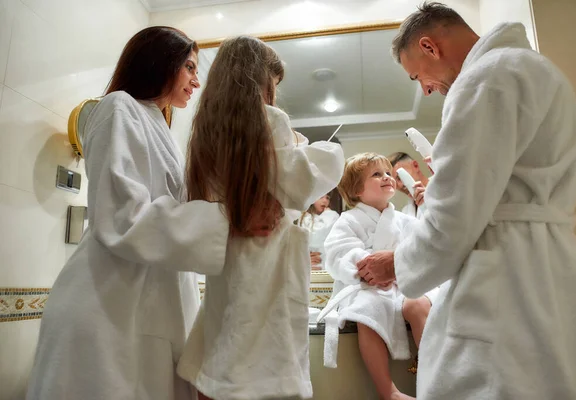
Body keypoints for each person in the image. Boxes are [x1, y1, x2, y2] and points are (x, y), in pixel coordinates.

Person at [357, 3, 576, 399]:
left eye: (417, 75)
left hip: (508, 280)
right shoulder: (542, 72)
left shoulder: (485, 79)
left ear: (429, 46)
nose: (425, 89)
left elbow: (453, 216)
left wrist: (397, 263)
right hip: (559, 272)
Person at [26, 27, 265, 400]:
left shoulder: (158, 126)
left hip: (146, 306)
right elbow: (124, 215)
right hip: (108, 305)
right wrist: (225, 223)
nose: (196, 81)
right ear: (159, 62)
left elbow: (177, 213)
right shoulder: (119, 106)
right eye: (188, 67)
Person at [176, 36, 344, 400]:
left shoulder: (205, 132)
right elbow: (300, 185)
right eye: (274, 84)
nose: (275, 94)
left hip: (230, 267)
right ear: (260, 78)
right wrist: (314, 148)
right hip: (269, 268)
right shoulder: (269, 120)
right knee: (266, 372)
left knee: (222, 365)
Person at [319, 153, 437, 400]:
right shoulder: (348, 220)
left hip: (402, 284)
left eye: (387, 172)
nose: (387, 177)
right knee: (367, 308)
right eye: (376, 174)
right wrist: (366, 269)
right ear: (356, 190)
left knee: (420, 303)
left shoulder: (405, 219)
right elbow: (339, 252)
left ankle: (435, 383)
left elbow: (426, 246)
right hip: (368, 286)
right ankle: (389, 391)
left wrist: (428, 206)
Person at [298, 193, 340, 269]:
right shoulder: (304, 218)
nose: (325, 201)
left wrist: (329, 214)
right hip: (310, 262)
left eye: (327, 198)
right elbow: (315, 235)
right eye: (321, 197)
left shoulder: (332, 216)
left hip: (327, 262)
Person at [388, 152, 428, 217]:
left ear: (415, 166)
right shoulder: (405, 213)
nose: (400, 185)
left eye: (400, 177)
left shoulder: (444, 189)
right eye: (394, 182)